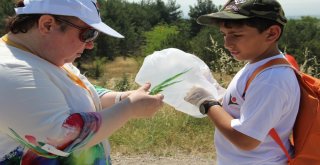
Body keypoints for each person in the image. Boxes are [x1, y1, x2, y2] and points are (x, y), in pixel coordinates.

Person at [0, 0, 163, 164]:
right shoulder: (10, 68)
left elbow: (79, 91)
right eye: (87, 33)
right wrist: (129, 108)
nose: (91, 44)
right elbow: (59, 139)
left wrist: (121, 98)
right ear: (47, 25)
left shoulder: (44, 58)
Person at [184, 0, 300, 164]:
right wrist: (218, 93)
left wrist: (207, 104)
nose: (226, 43)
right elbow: (244, 105)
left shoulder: (271, 79)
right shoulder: (258, 64)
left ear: (271, 33)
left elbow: (247, 139)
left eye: (236, 35)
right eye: (224, 34)